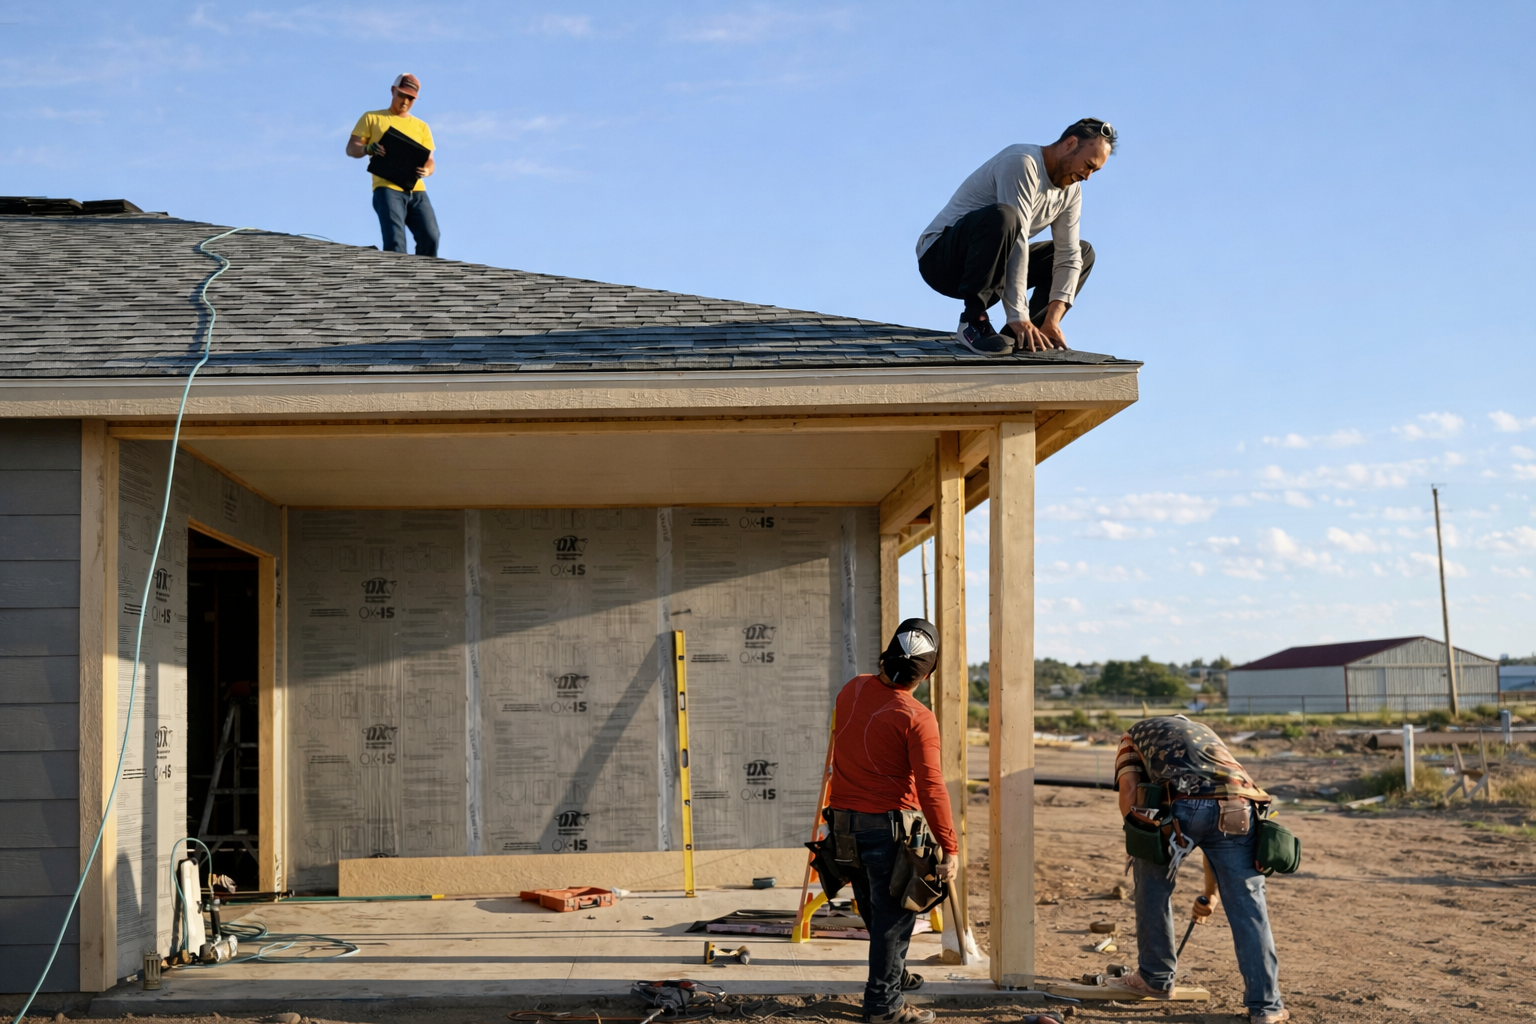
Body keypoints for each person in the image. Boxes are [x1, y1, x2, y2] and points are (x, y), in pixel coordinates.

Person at [1112, 715, 1288, 1024]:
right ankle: (1267, 1008)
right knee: (1249, 906)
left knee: (1153, 887)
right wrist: (1211, 894)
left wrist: (1140, 841)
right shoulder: (1205, 734)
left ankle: (1155, 978)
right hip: (1240, 805)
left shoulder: (1132, 737)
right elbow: (1213, 827)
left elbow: (1129, 791)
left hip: (1182, 802)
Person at [825, 619, 958, 1024]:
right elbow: (932, 788)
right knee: (894, 920)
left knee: (872, 906)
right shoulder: (917, 718)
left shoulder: (853, 688)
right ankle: (884, 1005)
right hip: (888, 830)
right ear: (928, 672)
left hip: (844, 827)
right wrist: (949, 847)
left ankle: (894, 975)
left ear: (885, 655)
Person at [916, 118, 1116, 356]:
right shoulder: (1022, 162)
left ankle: (1026, 336)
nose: (1087, 176)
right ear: (1070, 144)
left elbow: (1068, 256)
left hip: (992, 267)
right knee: (1005, 216)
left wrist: (1053, 319)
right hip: (942, 259)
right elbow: (1018, 240)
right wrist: (1017, 314)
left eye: (1095, 171)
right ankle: (973, 322)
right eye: (1088, 165)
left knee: (1083, 253)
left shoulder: (1071, 192)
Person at [346, 74, 440, 256]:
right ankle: (399, 282)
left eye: (410, 98)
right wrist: (367, 148)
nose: (405, 101)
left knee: (431, 236)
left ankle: (424, 280)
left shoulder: (422, 127)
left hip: (416, 191)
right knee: (395, 242)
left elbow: (430, 159)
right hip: (387, 188)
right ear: (392, 91)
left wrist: (427, 170)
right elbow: (351, 148)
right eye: (401, 95)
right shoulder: (372, 118)